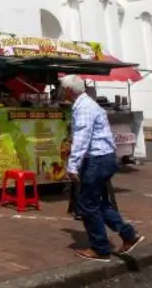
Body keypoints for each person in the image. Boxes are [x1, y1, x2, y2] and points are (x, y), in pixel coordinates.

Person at [58, 75, 144, 261]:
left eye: (62, 88)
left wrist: (72, 166)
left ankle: (100, 248)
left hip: (97, 159)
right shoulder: (86, 104)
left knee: (87, 204)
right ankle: (129, 235)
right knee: (98, 202)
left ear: (69, 90)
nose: (61, 91)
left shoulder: (84, 108)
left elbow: (82, 138)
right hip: (103, 158)